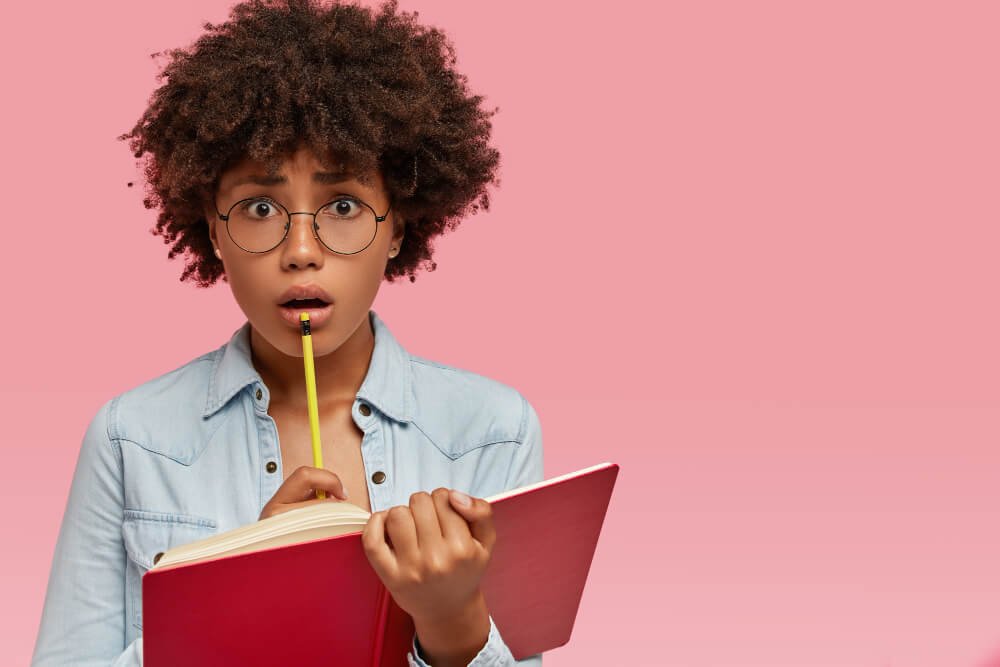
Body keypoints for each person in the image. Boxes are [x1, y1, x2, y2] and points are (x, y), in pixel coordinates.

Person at [31, 1, 544, 665]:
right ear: (214, 230)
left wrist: (453, 624)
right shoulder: (131, 439)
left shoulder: (493, 431)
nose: (301, 249)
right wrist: (236, 599)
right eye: (260, 207)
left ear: (399, 228)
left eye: (343, 205)